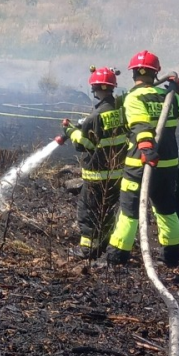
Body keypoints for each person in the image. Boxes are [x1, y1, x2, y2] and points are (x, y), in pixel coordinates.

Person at [105, 51, 179, 269]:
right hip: (167, 166)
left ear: (133, 73)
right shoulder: (171, 97)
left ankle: (116, 257)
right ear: (156, 72)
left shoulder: (135, 97)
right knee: (166, 209)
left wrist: (147, 149)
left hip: (140, 165)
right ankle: (171, 256)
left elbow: (141, 126)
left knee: (129, 211)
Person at [62, 66, 127, 257]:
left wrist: (70, 131)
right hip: (117, 174)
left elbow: (84, 145)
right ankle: (103, 244)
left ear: (95, 87)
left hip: (97, 175)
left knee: (88, 212)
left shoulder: (94, 117)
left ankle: (88, 250)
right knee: (107, 211)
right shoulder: (121, 110)